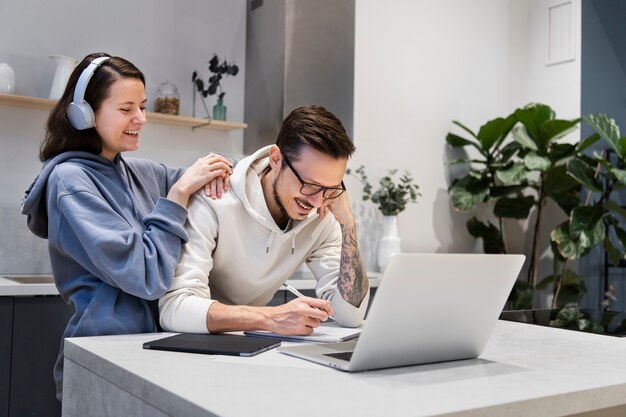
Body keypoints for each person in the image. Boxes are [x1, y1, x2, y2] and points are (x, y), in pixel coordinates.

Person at [20, 52, 232, 401]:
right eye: (126, 109)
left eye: (143, 106)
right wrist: (178, 195)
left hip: (151, 351)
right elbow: (147, 278)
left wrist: (264, 168)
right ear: (84, 113)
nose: (141, 118)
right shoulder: (70, 181)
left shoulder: (137, 172)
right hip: (103, 357)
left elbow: (216, 178)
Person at [159, 105, 369, 335]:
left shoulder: (323, 215)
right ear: (276, 158)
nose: (317, 202)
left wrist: (348, 224)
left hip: (254, 342)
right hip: (193, 345)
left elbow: (351, 316)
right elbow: (174, 309)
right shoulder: (216, 197)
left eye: (330, 188)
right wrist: (272, 317)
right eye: (309, 185)